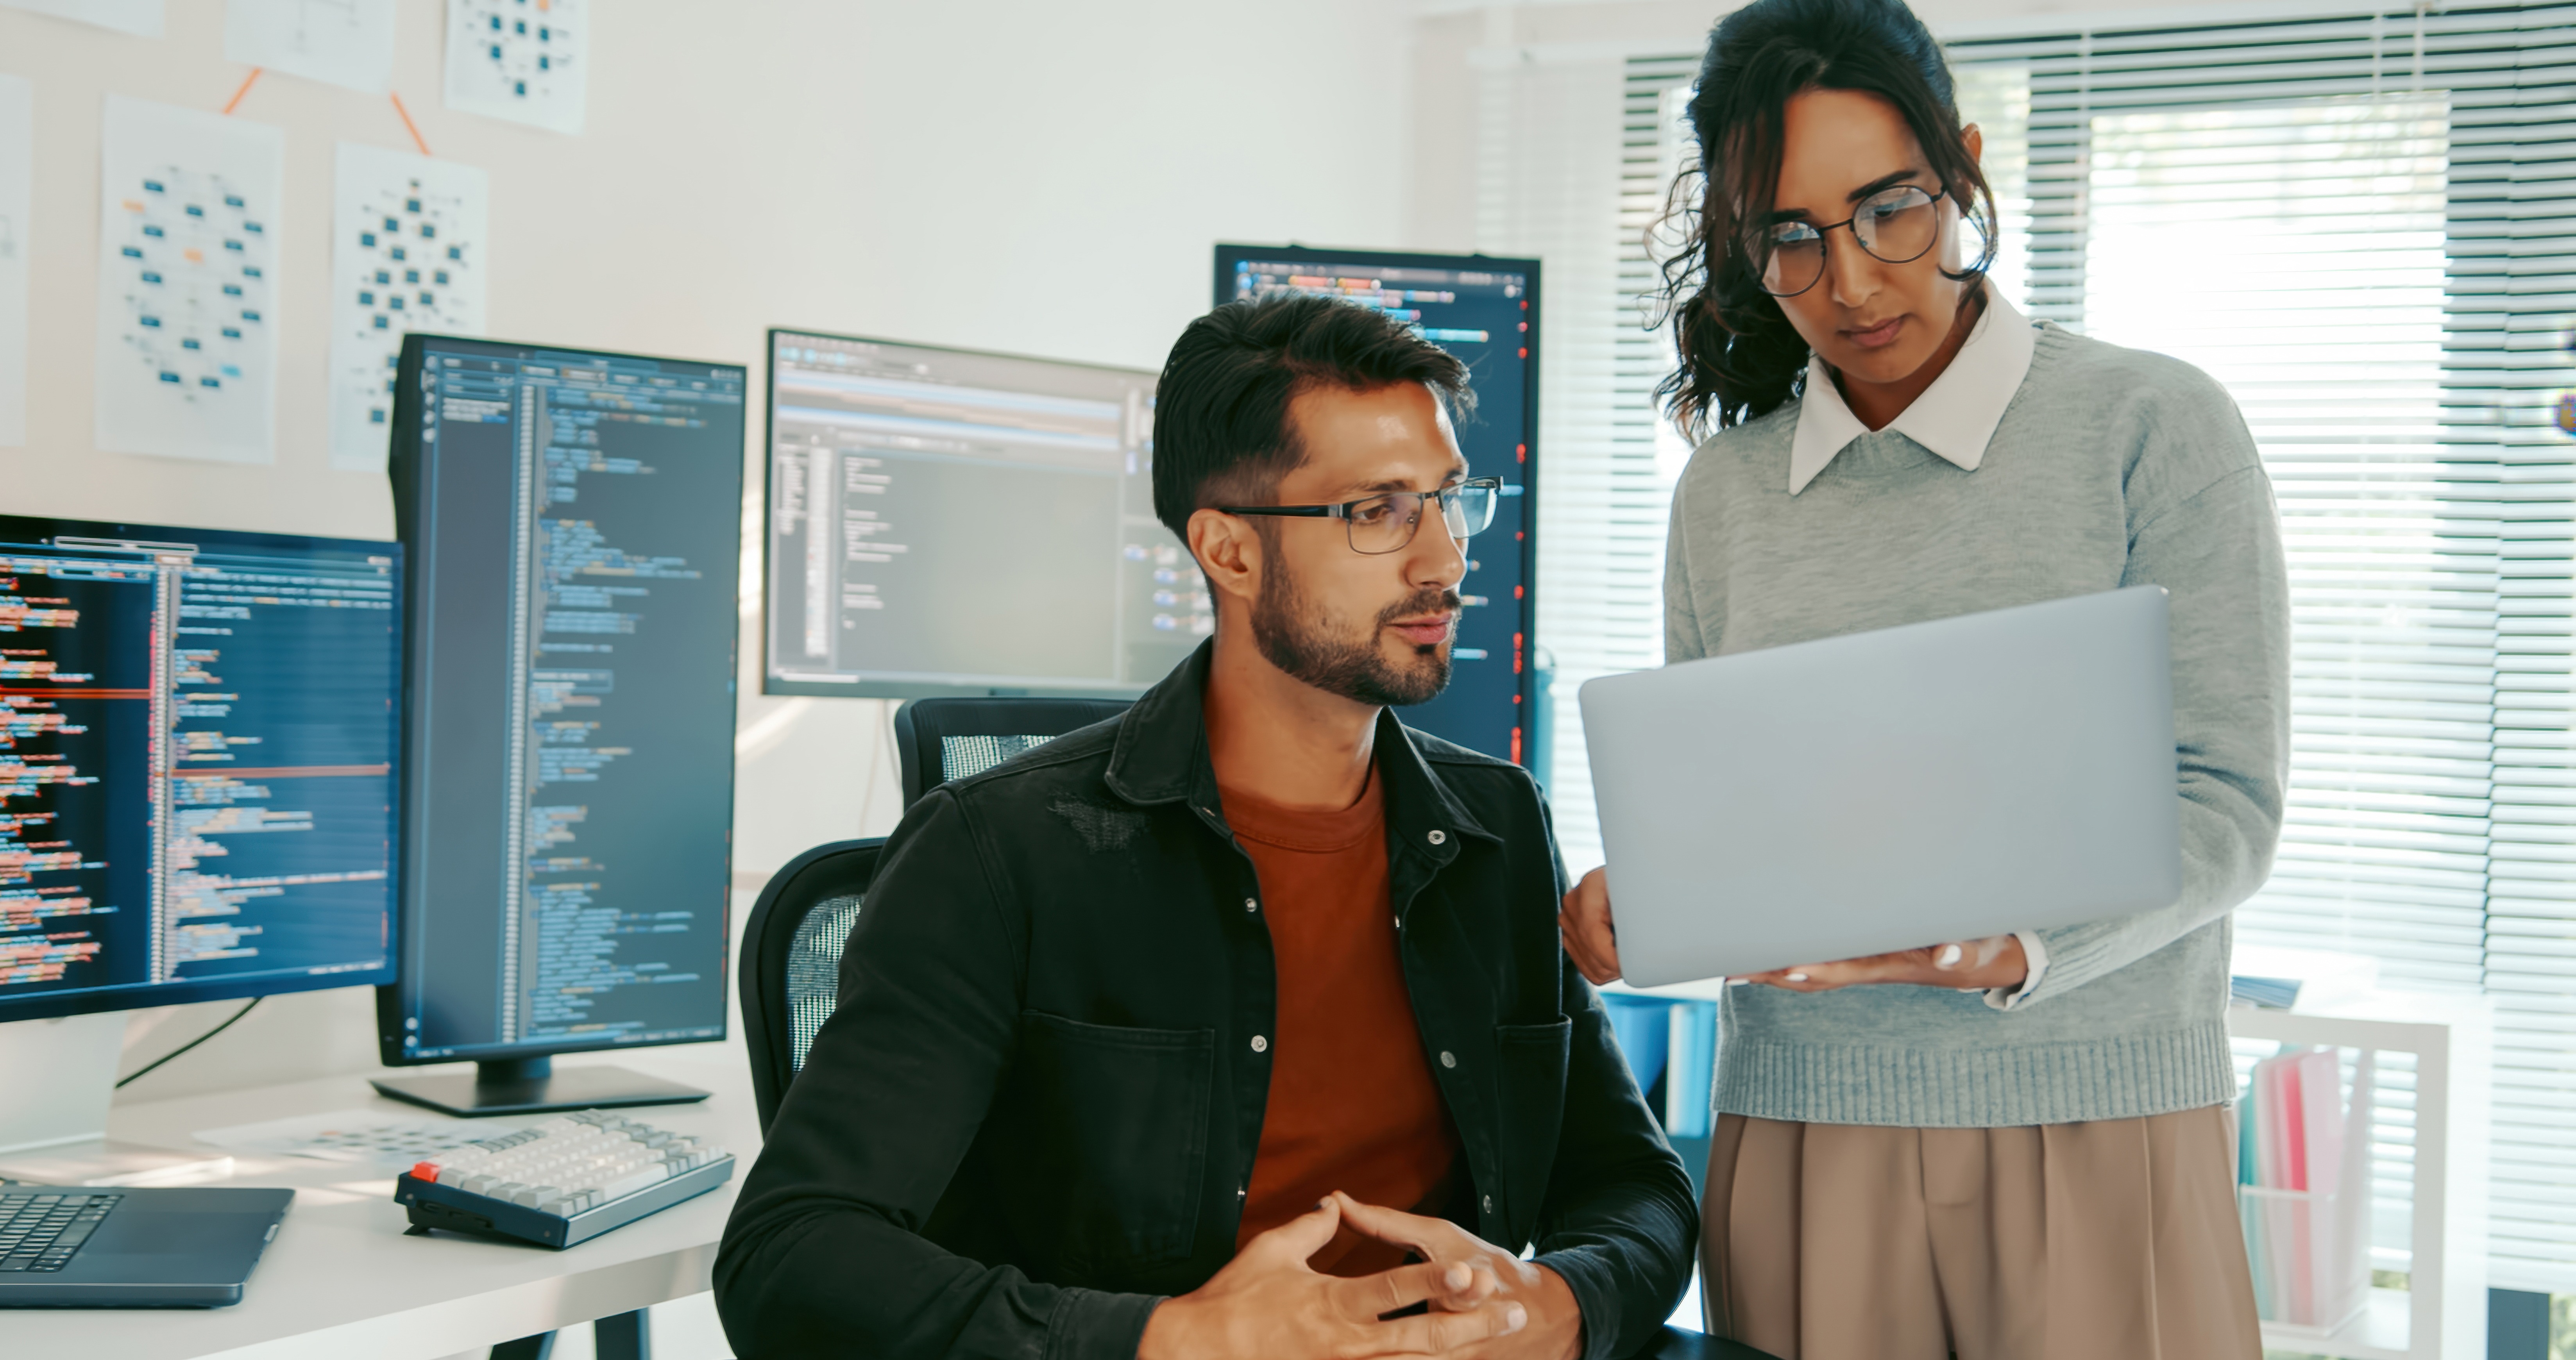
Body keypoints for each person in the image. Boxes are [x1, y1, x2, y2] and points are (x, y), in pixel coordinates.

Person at [716, 293, 1698, 1360]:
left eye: (1451, 500)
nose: (1445, 561)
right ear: (1228, 552)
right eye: (1378, 511)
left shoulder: (1497, 827)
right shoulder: (1000, 853)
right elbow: (791, 1254)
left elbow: (1634, 1185)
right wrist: (1170, 1340)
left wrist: (1560, 1306)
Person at [1554, 0, 2289, 1356]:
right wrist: (1641, 905)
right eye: (1789, 238)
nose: (1851, 282)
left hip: (2099, 1124)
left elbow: (2228, 805)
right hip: (1806, 1136)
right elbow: (1743, 827)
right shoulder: (1725, 494)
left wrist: (2015, 947)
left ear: (1961, 166)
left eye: (1889, 210)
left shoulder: (2153, 426)